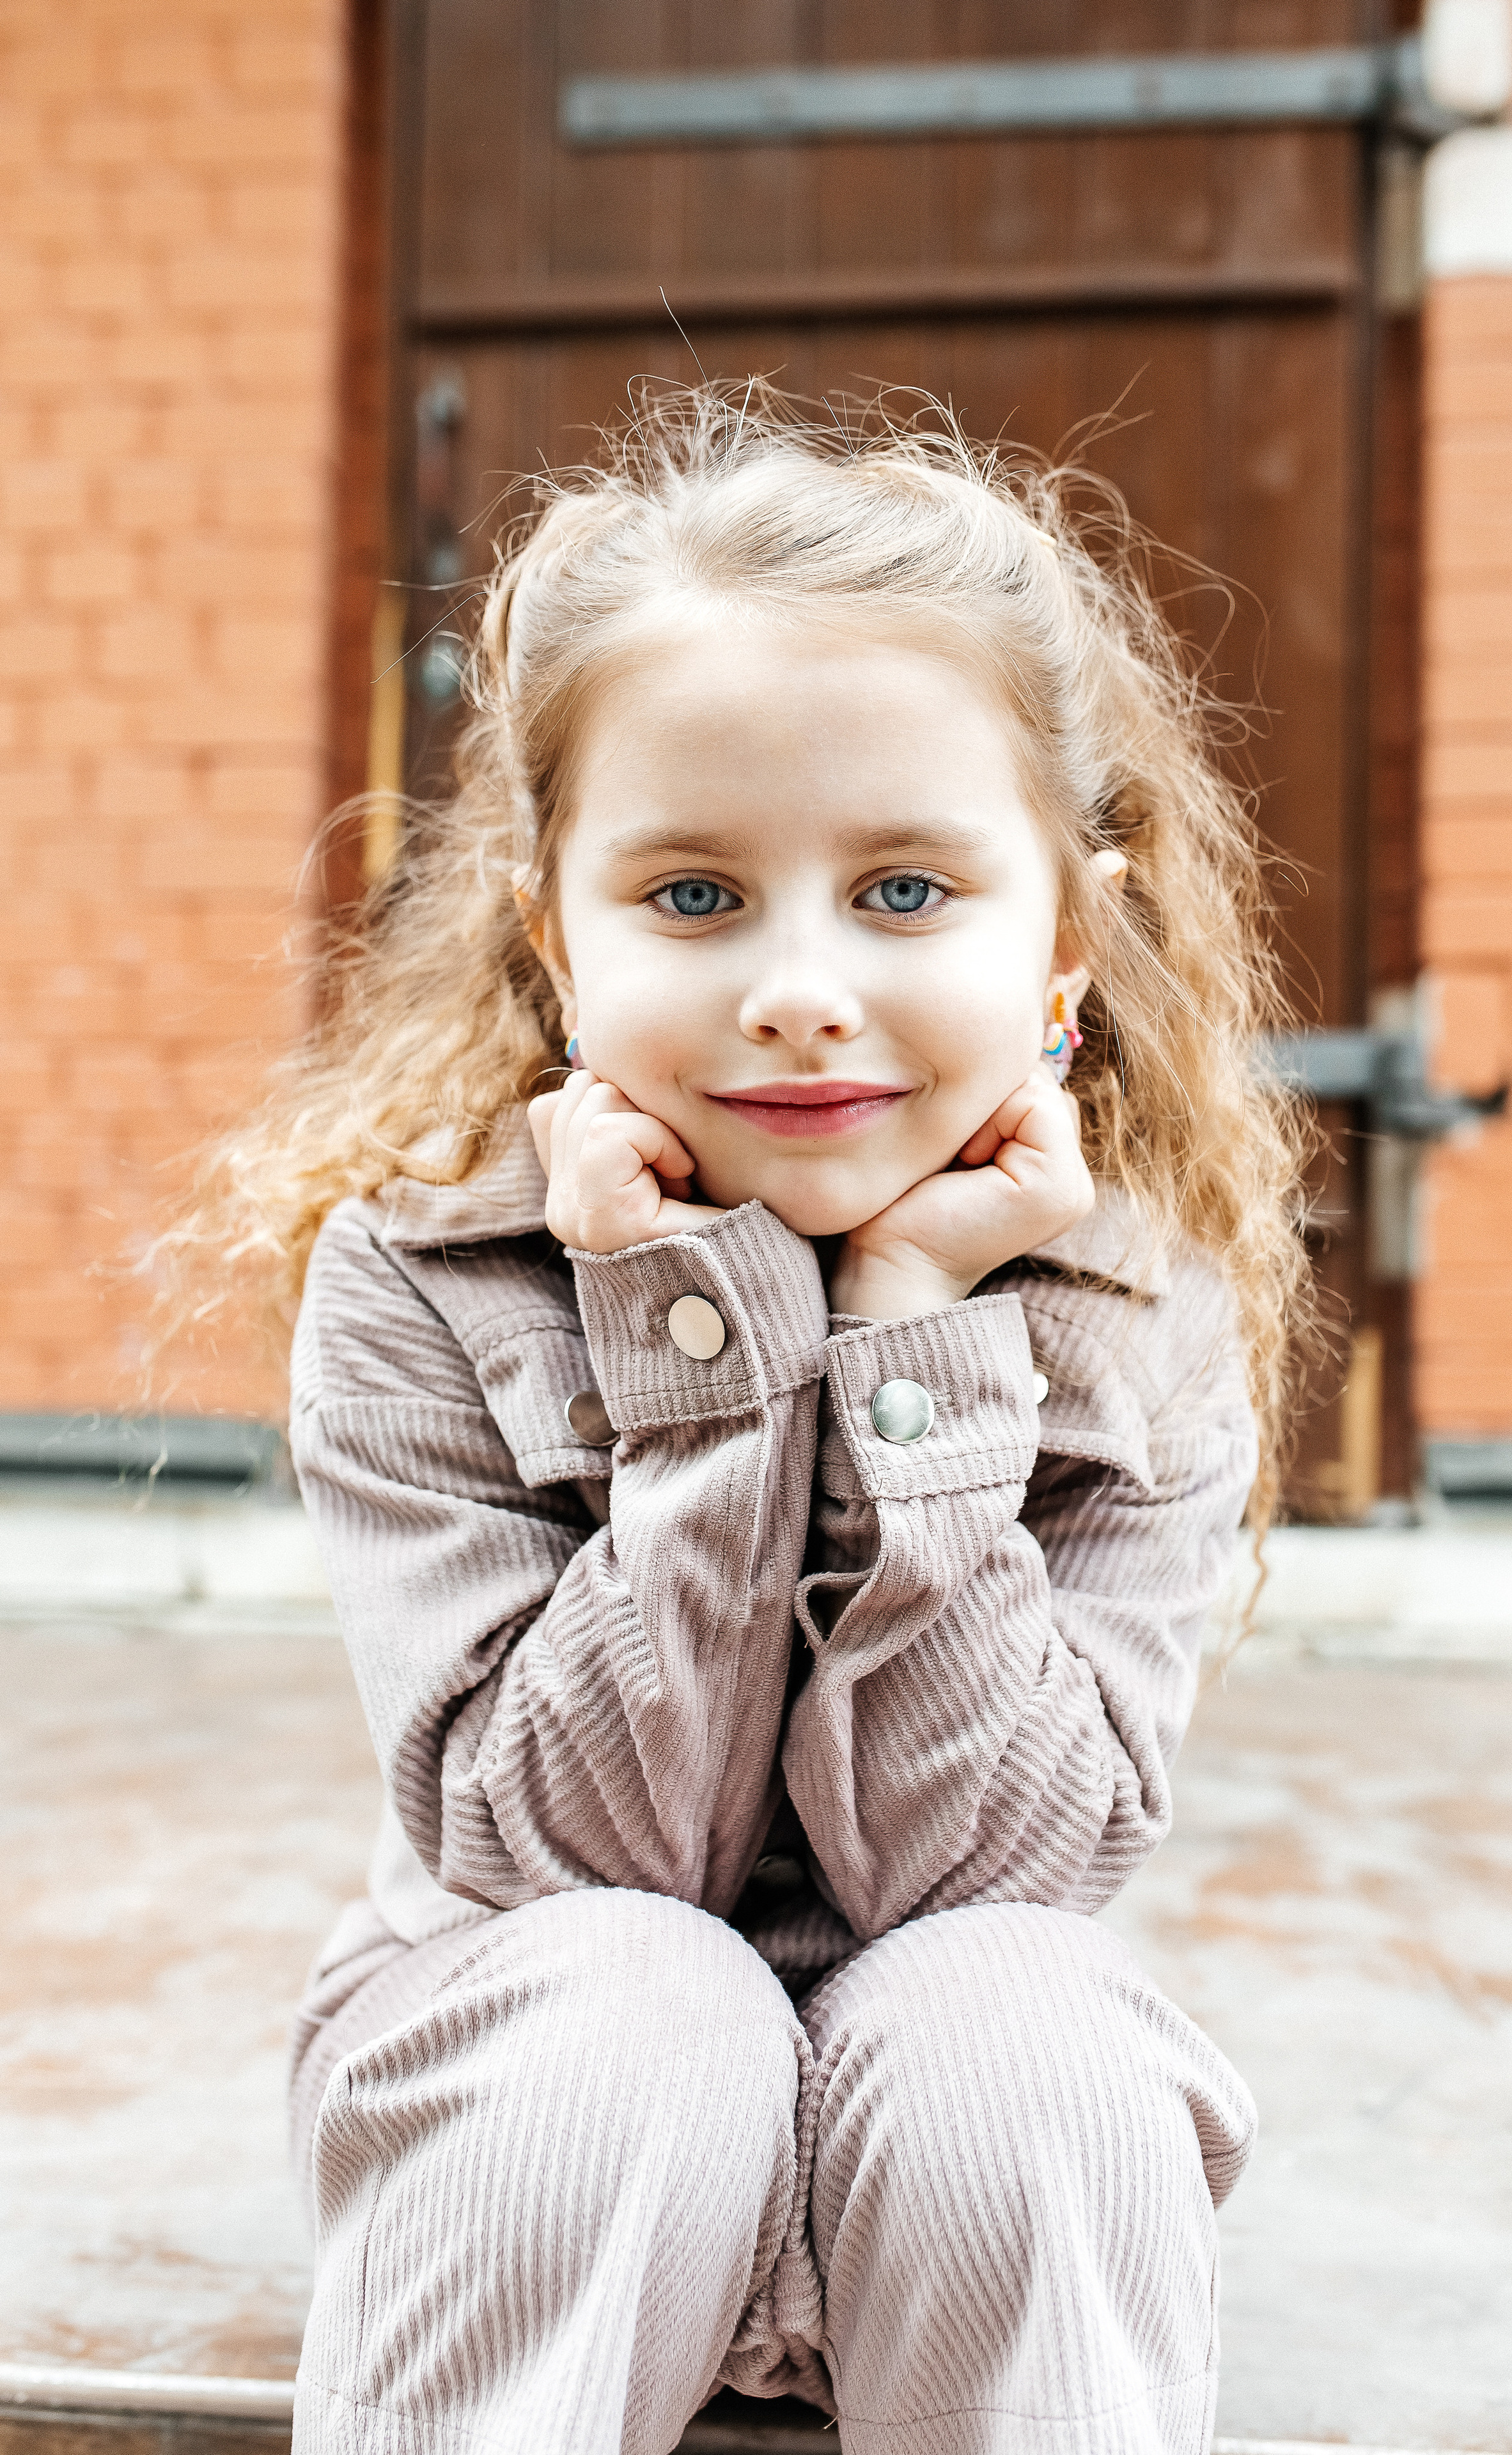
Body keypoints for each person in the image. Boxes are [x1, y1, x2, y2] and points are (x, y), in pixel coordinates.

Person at [204, 384, 1310, 2455]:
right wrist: (700, 1354)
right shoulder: (423, 1285)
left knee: (1023, 2029)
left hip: (954, 2127)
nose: (800, 986)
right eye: (695, 897)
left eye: (905, 893)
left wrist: (913, 1337)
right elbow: (563, 1855)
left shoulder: (1141, 1317)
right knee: (646, 1999)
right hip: (542, 2102)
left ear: (1065, 933)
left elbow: (1000, 1874)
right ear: (557, 933)